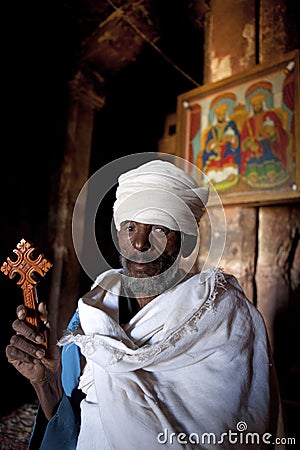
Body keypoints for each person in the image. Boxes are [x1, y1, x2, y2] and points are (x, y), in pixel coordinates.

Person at [6, 159, 281, 449]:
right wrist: (46, 382)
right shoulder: (93, 311)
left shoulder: (224, 316)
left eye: (160, 229)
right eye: (130, 227)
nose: (140, 243)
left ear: (187, 241)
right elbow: (73, 426)